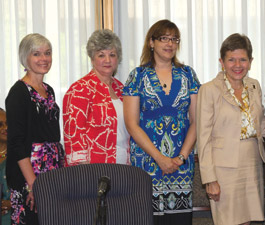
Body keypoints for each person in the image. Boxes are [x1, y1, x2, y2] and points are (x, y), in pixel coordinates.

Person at [123, 19, 200, 224]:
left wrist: (181, 157)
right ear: (151, 42)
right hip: (147, 162)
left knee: (179, 220)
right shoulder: (137, 76)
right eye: (164, 38)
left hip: (180, 165)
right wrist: (159, 158)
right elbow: (131, 124)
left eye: (174, 39)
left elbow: (197, 121)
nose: (170, 44)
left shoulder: (188, 75)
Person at [197, 33, 265, 225]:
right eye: (231, 60)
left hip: (252, 163)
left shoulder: (254, 85)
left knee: (249, 220)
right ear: (222, 61)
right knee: (228, 221)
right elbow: (203, 137)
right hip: (223, 168)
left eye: (243, 59)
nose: (238, 65)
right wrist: (209, 179)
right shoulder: (209, 90)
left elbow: (262, 124)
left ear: (250, 61)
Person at [6, 33, 65, 225]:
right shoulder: (18, 93)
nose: (44, 59)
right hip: (29, 174)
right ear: (25, 57)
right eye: (37, 54)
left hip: (52, 170)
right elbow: (16, 143)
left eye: (47, 53)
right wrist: (33, 184)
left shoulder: (49, 90)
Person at [63, 29, 129, 166]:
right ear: (92, 58)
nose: (107, 60)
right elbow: (74, 136)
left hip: (124, 166)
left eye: (112, 54)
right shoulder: (80, 89)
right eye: (101, 55)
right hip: (93, 169)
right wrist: (84, 173)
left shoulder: (123, 89)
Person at [0, 108, 12, 225]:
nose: (5, 128)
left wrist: (13, 202)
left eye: (8, 123)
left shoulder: (21, 156)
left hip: (14, 217)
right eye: (0, 125)